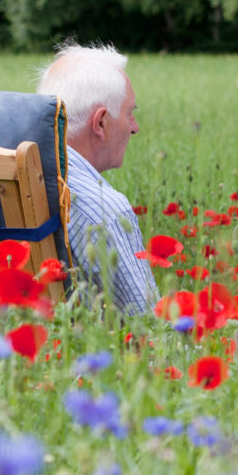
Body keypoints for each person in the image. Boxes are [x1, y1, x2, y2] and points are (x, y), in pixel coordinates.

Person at [35, 42, 159, 316]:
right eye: (129, 114)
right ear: (100, 122)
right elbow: (148, 324)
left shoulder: (3, 181)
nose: (135, 128)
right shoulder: (102, 210)